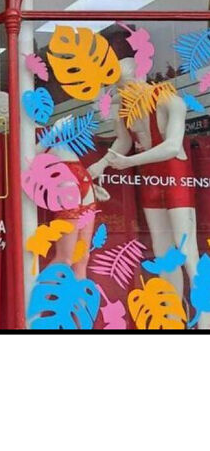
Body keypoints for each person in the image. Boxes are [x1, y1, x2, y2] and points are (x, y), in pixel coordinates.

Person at [88, 57, 206, 324]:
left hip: (175, 176)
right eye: (119, 89)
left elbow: (173, 146)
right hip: (149, 179)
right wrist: (101, 165)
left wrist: (129, 162)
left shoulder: (169, 100)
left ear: (142, 78)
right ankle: (173, 318)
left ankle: (206, 322)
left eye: (127, 86)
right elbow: (124, 139)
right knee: (163, 252)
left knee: (186, 251)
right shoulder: (125, 108)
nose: (123, 93)